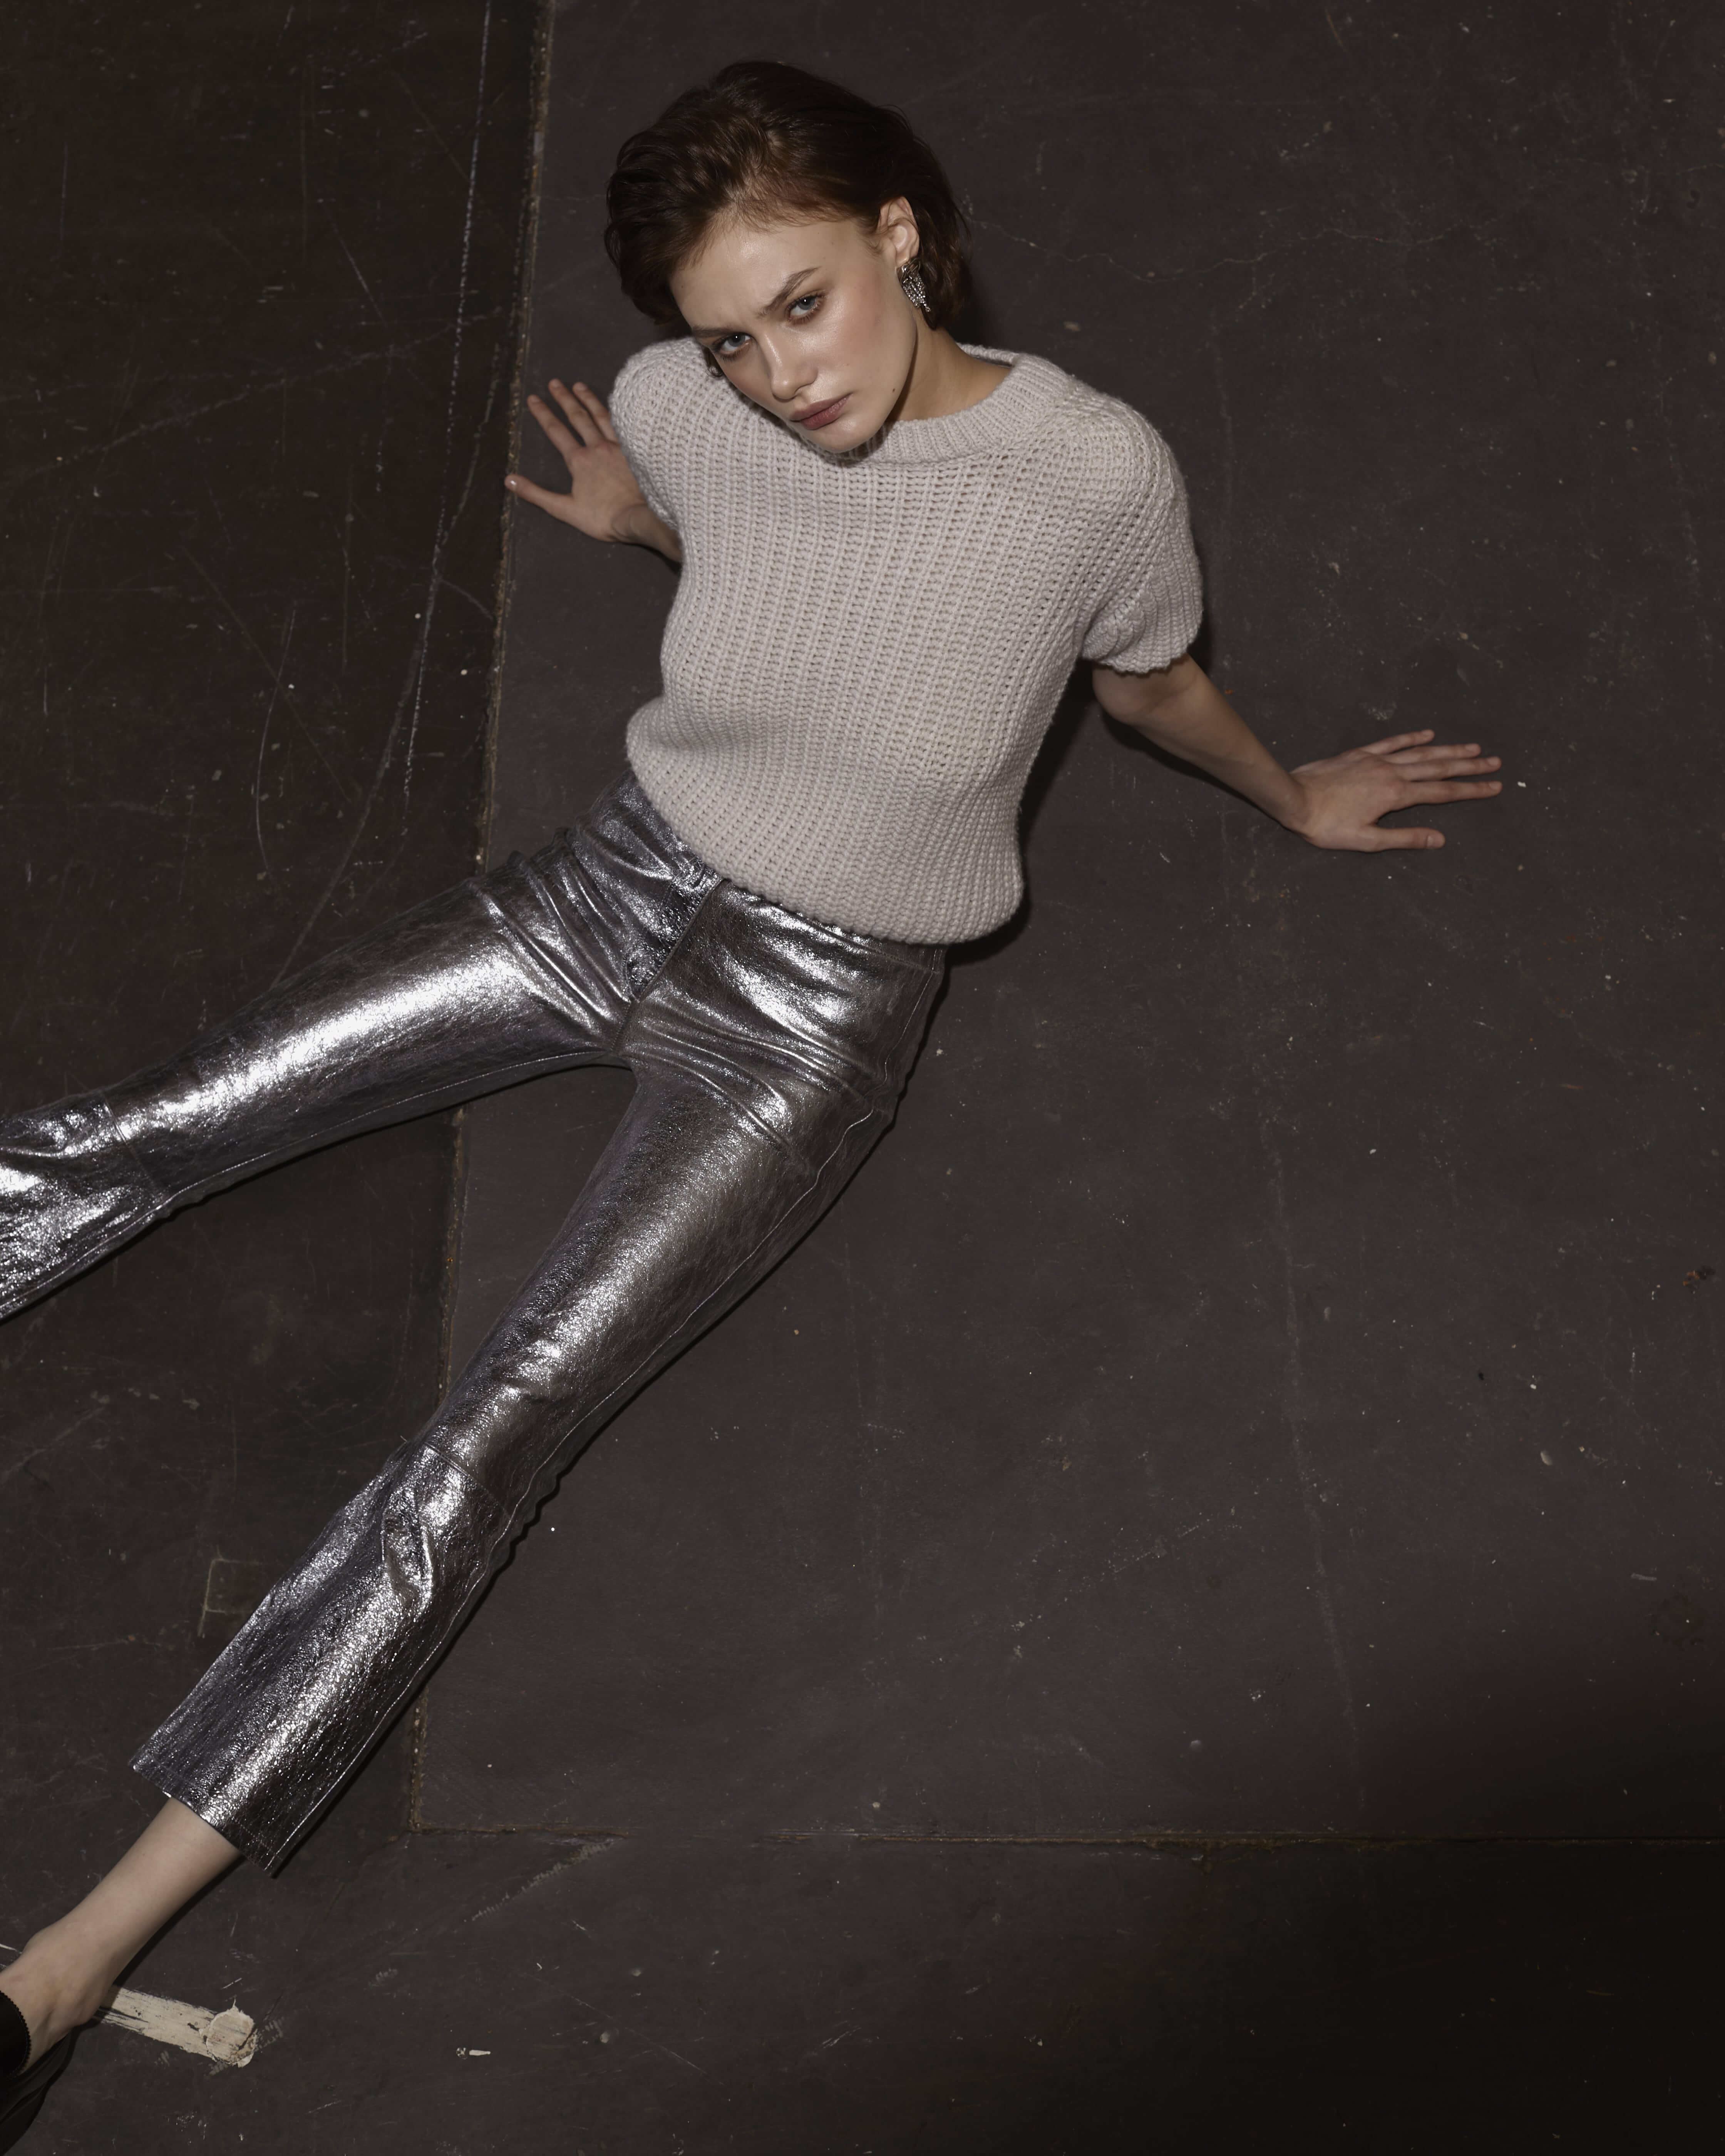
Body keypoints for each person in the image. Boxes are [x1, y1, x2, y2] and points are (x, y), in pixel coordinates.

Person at [0, 58, 1501, 2131]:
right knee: (152, 1122)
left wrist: (1293, 790)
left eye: (804, 304)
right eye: (728, 338)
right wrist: (643, 510)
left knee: (483, 1446)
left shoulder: (1090, 475)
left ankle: (66, 1970)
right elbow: (732, 502)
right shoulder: (694, 409)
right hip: (602, 890)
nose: (780, 376)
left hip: (810, 1022)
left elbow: (1148, 681)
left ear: (902, 235)